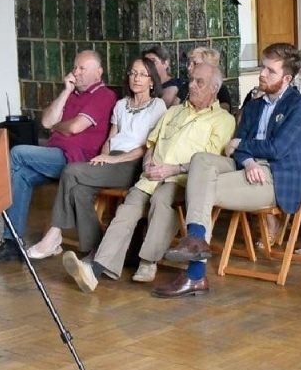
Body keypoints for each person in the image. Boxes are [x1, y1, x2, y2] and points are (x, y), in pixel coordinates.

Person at [62, 59, 234, 289]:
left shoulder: (223, 120)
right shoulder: (174, 111)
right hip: (151, 177)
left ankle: (148, 260)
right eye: (191, 80)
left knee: (162, 200)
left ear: (214, 88)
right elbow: (151, 143)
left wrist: (173, 169)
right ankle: (95, 270)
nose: (191, 85)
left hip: (182, 179)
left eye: (199, 82)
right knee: (128, 208)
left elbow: (208, 161)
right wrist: (147, 161)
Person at [160, 43, 301, 298]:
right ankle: (196, 243)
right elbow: (234, 149)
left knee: (200, 187)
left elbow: (276, 149)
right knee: (201, 160)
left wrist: (244, 147)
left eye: (270, 71)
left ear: (287, 78)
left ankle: (194, 273)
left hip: (275, 178)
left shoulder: (300, 107)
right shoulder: (254, 105)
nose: (262, 74)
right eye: (262, 68)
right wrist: (249, 160)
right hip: (248, 167)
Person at [24, 57, 167, 261]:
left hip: (133, 163)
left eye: (143, 75)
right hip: (112, 160)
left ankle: (54, 234)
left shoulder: (158, 106)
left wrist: (116, 160)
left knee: (71, 170)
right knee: (79, 191)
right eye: (133, 73)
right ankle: (96, 250)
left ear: (152, 81)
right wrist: (105, 155)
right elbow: (111, 138)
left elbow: (149, 146)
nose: (136, 78)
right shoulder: (120, 105)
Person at [0, 49, 115, 264]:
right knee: (21, 175)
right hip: (55, 155)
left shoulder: (104, 96)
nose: (76, 72)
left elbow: (75, 127)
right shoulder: (71, 94)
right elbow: (46, 123)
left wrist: (58, 127)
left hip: (77, 160)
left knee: (17, 152)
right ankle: (12, 242)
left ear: (98, 73)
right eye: (75, 67)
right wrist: (65, 91)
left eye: (82, 68)